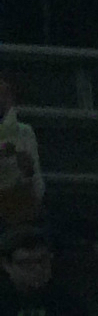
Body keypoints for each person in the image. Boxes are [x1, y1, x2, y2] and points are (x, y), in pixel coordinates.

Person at [0, 76, 42, 227]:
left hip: (18, 213)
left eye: (5, 94)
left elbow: (37, 188)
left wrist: (26, 170)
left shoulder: (24, 132)